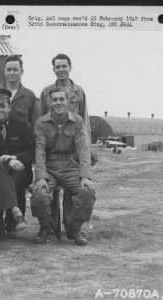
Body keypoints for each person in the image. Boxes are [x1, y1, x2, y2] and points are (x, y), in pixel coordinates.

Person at [40, 53, 98, 233]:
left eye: (64, 66)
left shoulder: (79, 92)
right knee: (50, 190)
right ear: (53, 69)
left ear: (70, 67)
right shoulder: (47, 92)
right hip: (53, 147)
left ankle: (71, 226)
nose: (61, 70)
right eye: (58, 67)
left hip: (74, 146)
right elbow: (42, 118)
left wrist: (88, 149)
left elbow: (84, 121)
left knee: (75, 188)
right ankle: (50, 226)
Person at [31, 88, 96, 246]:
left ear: (67, 102)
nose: (58, 103)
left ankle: (74, 229)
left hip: (70, 168)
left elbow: (83, 150)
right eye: (55, 100)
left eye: (61, 99)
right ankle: (45, 227)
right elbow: (39, 152)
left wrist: (85, 176)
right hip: (49, 169)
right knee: (39, 195)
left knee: (87, 192)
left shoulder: (78, 121)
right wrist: (40, 177)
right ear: (49, 102)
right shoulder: (41, 123)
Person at [0, 88, 34, 254]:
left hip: (20, 172)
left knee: (0, 182)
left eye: (2, 106)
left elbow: (30, 152)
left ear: (9, 107)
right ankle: (15, 211)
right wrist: (5, 160)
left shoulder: (22, 125)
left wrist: (13, 157)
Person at [0, 54, 40, 236]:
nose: (12, 73)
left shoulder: (29, 96)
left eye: (16, 69)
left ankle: (12, 223)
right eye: (9, 69)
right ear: (4, 72)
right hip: (0, 151)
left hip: (21, 151)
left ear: (21, 72)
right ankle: (1, 222)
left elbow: (35, 124)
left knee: (18, 184)